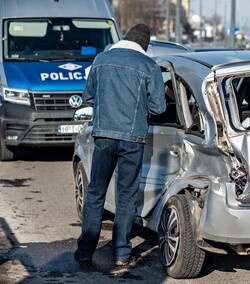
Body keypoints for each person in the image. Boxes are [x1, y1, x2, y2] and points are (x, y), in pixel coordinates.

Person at [74, 23, 166, 266]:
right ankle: (122, 254)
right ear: (144, 45)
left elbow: (88, 97)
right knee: (126, 196)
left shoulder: (102, 60)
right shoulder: (149, 66)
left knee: (95, 193)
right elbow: (159, 107)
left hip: (103, 136)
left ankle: (85, 251)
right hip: (133, 139)